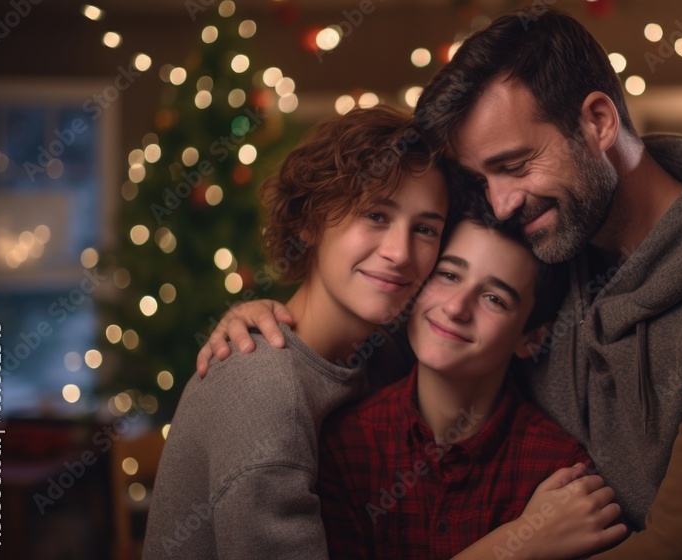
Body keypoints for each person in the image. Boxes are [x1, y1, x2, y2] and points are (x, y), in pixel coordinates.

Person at [199, 8, 682, 559]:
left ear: (599, 121)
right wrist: (272, 322)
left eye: (515, 164)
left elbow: (681, 552)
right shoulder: (553, 243)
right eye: (482, 178)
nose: (498, 203)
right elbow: (420, 334)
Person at [143, 106, 452, 559]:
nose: (400, 253)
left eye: (425, 229)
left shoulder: (387, 357)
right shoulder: (264, 387)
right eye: (376, 215)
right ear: (309, 222)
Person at [317, 191, 627, 559]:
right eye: (448, 275)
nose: (455, 308)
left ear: (531, 338)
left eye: (494, 298)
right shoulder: (345, 446)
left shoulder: (559, 472)